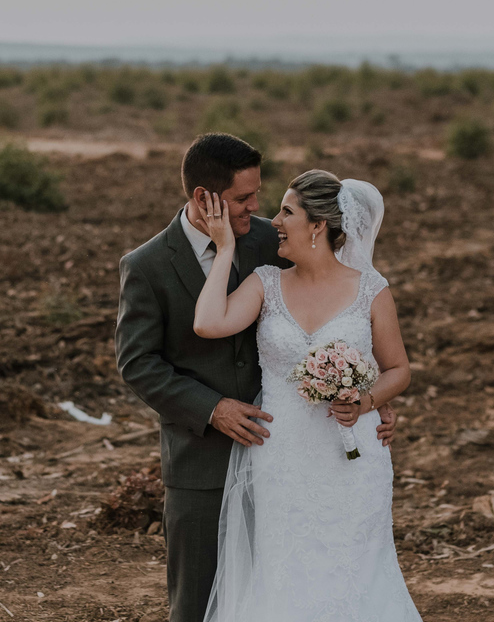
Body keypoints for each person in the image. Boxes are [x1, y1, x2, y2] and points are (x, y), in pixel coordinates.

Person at [115, 134, 398, 622]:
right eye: (244, 198)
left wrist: (371, 398)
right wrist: (212, 408)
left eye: (259, 195)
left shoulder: (274, 238)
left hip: (288, 450)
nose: (257, 208)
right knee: (199, 603)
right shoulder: (147, 266)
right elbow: (138, 363)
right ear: (205, 198)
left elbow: (343, 316)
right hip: (201, 458)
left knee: (294, 588)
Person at [193, 168, 422, 621]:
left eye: (287, 211)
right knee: (286, 568)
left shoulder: (372, 291)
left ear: (318, 225)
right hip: (284, 459)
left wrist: (366, 402)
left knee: (354, 569)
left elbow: (398, 369)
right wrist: (224, 249)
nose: (274, 220)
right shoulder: (266, 283)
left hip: (352, 459)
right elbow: (208, 323)